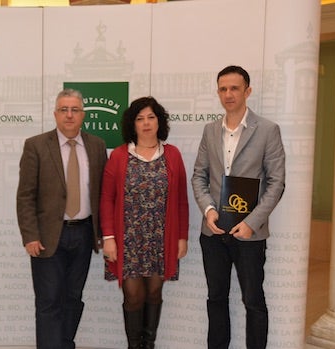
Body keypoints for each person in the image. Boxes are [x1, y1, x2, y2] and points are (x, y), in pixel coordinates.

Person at [191, 65, 286, 349]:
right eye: (223, 89)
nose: (228, 94)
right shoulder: (210, 131)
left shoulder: (268, 130)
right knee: (216, 298)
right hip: (214, 233)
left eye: (234, 88)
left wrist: (251, 222)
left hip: (250, 235)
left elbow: (276, 183)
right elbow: (199, 176)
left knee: (253, 301)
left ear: (248, 91)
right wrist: (208, 210)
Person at [16, 88, 108, 349]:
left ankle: (64, 344)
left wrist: (103, 233)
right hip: (47, 237)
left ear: (83, 115)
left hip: (84, 234)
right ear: (55, 114)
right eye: (64, 110)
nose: (69, 115)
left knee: (73, 298)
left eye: (75, 110)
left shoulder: (97, 146)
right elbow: (25, 195)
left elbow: (102, 192)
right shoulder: (35, 145)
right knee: (48, 301)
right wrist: (30, 235)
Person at [99, 96, 189, 349]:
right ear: (132, 124)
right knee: (134, 295)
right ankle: (134, 346)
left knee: (154, 293)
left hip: (161, 238)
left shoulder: (172, 155)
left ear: (159, 121)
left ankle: (149, 344)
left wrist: (182, 237)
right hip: (128, 240)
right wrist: (109, 238)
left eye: (151, 117)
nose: (146, 123)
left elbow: (181, 199)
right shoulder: (118, 156)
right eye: (140, 119)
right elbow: (106, 199)